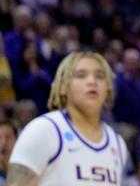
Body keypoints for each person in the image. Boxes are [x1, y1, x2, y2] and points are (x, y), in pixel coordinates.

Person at [5, 52, 128, 185]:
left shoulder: (117, 143)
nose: (92, 81)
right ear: (63, 87)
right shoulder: (44, 130)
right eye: (81, 75)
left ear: (108, 88)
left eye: (99, 76)